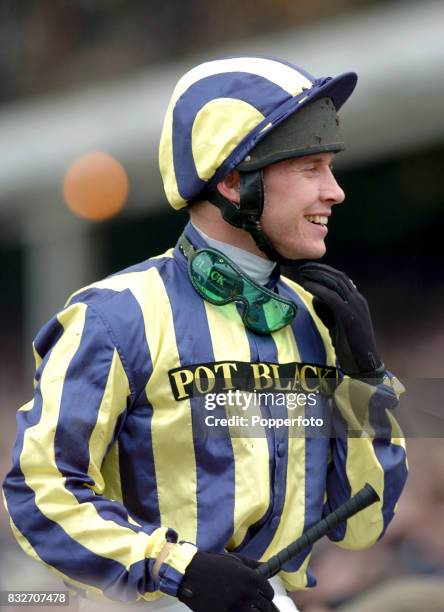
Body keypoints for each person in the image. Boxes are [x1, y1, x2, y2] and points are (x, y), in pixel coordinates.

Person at [3, 56, 408, 612]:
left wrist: (364, 379)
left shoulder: (318, 322)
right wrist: (177, 571)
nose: (334, 191)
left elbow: (363, 524)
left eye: (329, 167)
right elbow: (37, 490)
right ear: (233, 181)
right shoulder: (114, 315)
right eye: (310, 168)